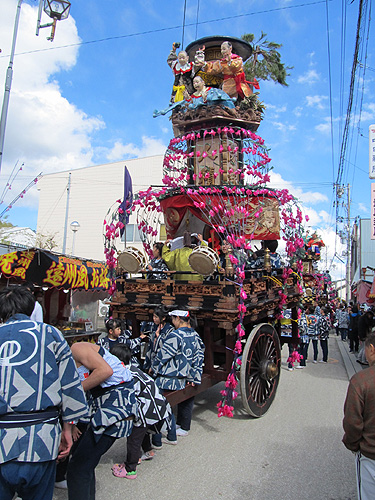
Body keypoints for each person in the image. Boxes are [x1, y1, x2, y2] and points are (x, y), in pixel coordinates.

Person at [0, 286, 88, 500]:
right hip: (41, 440)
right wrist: (67, 430)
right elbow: (69, 384)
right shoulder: (51, 334)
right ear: (31, 309)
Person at [67, 342, 137, 499]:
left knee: (78, 467)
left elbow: (105, 371)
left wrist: (73, 391)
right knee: (84, 464)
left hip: (114, 412)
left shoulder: (77, 349)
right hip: (111, 411)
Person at [110, 345, 172, 479]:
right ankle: (148, 451)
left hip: (147, 409)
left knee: (133, 437)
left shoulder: (123, 374)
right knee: (142, 432)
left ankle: (130, 468)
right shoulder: (133, 368)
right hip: (158, 405)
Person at [150, 308, 205, 444]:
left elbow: (163, 355)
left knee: (157, 399)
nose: (172, 322)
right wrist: (194, 376)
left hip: (169, 378)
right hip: (184, 376)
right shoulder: (194, 334)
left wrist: (153, 369)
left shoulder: (175, 336)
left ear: (178, 319)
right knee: (187, 397)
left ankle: (166, 429)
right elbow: (199, 356)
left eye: (173, 319)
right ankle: (183, 426)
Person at [343, 332, 375, 499]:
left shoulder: (361, 381)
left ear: (372, 349)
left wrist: (353, 445)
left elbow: (352, 423)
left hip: (370, 455)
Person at [142, 305, 174, 373]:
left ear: (163, 318)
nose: (154, 319)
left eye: (156, 317)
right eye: (153, 316)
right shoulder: (153, 327)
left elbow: (166, 346)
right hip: (152, 355)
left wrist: (158, 336)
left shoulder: (170, 330)